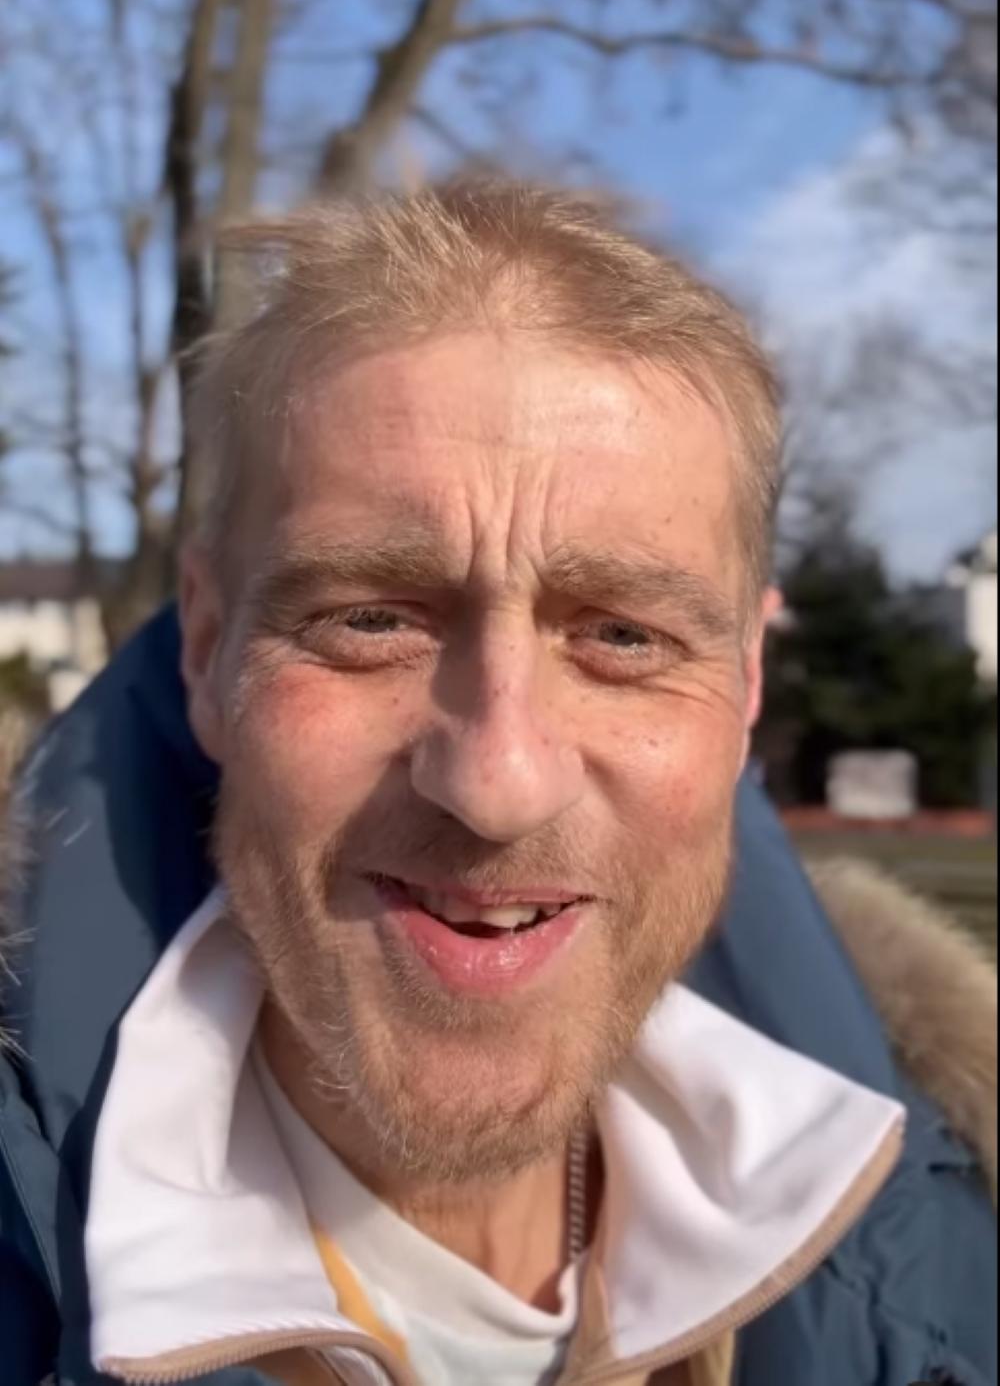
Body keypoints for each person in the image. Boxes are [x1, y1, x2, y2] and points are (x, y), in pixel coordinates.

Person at [0, 182, 995, 1386]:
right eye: (371, 618)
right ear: (207, 649)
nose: (497, 781)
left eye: (622, 635)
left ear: (743, 690)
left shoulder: (944, 1259)